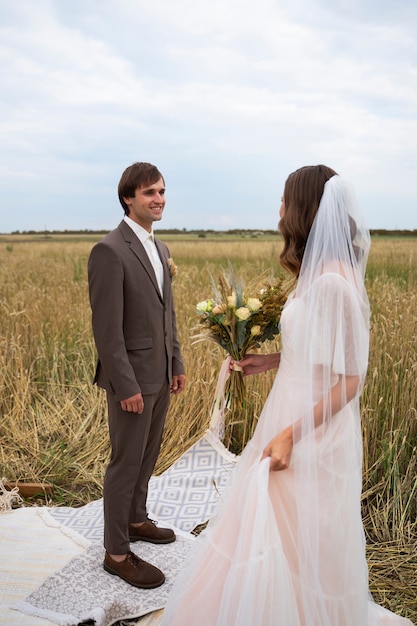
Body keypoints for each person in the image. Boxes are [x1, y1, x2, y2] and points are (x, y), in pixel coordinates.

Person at [161, 166, 414, 625]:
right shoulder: (315, 274)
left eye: (284, 200)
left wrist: (291, 436)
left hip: (312, 428)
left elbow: (351, 378)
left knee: (301, 527)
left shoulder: (335, 281)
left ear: (303, 209)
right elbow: (316, 353)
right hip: (289, 406)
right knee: (271, 524)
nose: (278, 209)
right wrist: (271, 360)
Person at [88, 162, 186, 589]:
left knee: (147, 457)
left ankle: (136, 519)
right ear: (128, 197)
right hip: (131, 381)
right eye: (149, 192)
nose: (159, 198)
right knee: (125, 464)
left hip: (161, 374)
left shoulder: (160, 248)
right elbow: (107, 331)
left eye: (162, 191)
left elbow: (168, 315)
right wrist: (125, 385)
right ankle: (116, 552)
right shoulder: (109, 250)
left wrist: (176, 363)